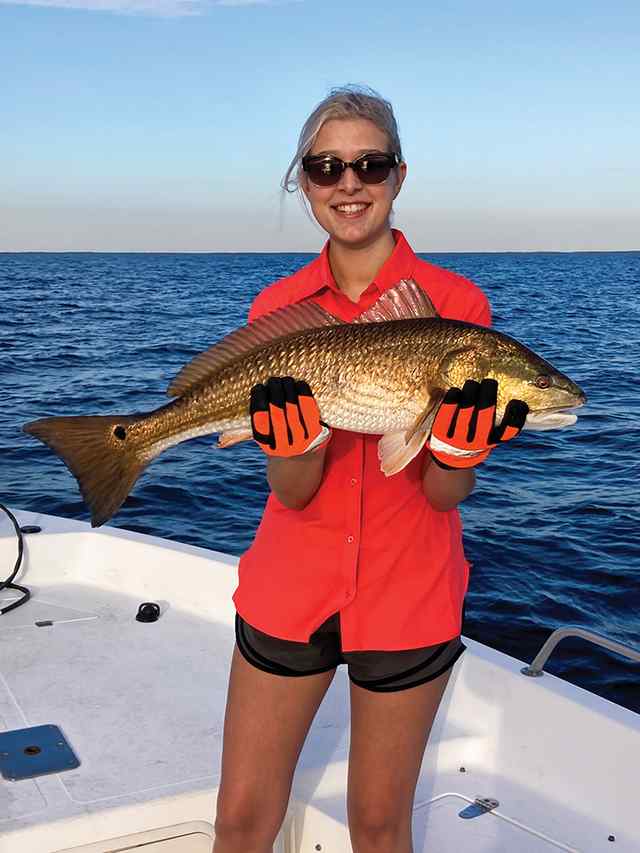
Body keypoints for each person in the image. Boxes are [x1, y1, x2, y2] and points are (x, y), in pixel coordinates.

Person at [212, 86, 527, 853]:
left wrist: (457, 452)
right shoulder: (278, 307)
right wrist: (294, 449)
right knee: (241, 821)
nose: (348, 183)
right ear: (304, 181)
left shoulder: (457, 306)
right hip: (290, 587)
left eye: (370, 164)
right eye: (326, 167)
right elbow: (292, 491)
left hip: (408, 592)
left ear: (398, 175)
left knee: (381, 827)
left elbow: (444, 492)